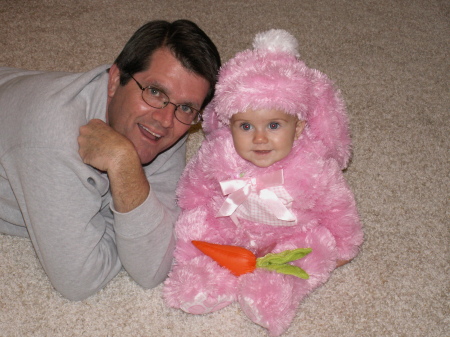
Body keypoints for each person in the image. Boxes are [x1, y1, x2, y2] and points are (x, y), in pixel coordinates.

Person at [0, 20, 221, 301]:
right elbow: (80, 279)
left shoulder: (167, 119)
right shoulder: (53, 140)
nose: (164, 121)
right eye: (155, 91)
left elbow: (153, 267)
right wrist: (129, 209)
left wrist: (124, 164)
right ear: (115, 80)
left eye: (187, 107)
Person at [163, 30, 363, 336]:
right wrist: (194, 214)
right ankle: (203, 279)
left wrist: (346, 243)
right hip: (231, 228)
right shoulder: (219, 152)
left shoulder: (313, 165)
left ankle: (274, 290)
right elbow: (196, 187)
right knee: (197, 229)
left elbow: (337, 205)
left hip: (290, 235)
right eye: (245, 126)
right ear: (228, 124)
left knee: (314, 248)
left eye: (273, 125)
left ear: (298, 128)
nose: (259, 138)